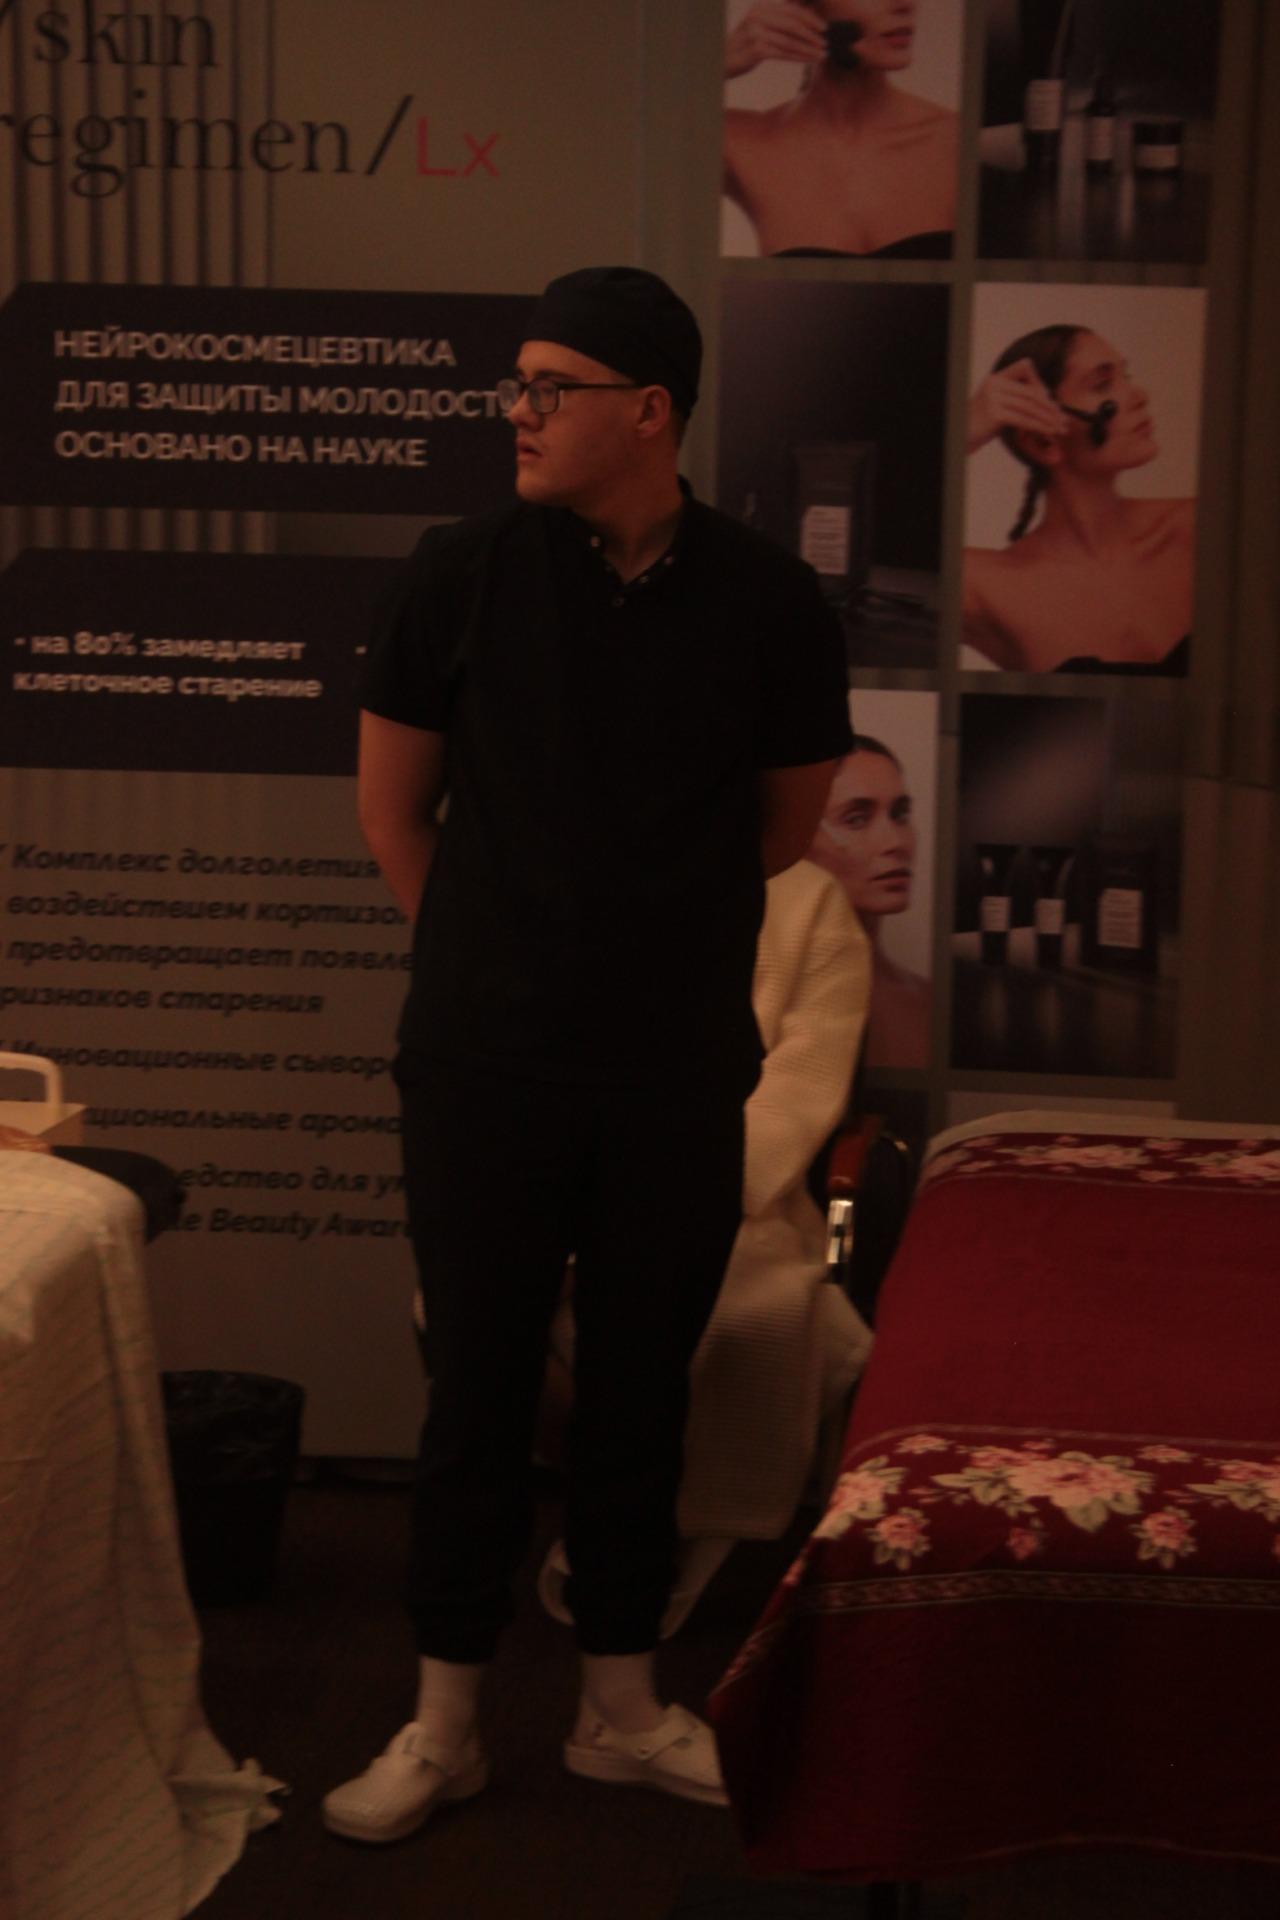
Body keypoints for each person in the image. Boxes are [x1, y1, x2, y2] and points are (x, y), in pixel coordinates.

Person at [324, 266, 853, 1843]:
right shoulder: (460, 571)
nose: (519, 411)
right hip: (483, 1064)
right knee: (475, 1395)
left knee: (641, 1397)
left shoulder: (769, 599)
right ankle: (445, 1723)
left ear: (651, 410)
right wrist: (508, 964)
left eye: (551, 387)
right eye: (517, 383)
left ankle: (621, 1709)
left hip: (674, 1067)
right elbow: (392, 814)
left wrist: (631, 951)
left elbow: (784, 830)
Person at [537, 857, 875, 1637]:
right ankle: (613, 1521)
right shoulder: (586, 870)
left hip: (741, 1203)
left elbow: (803, 1084)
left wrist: (670, 1192)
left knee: (747, 1321)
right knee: (479, 1309)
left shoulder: (812, 902)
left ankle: (655, 1545)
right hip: (573, 1189)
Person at [963, 325, 1196, 674]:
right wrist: (960, 432)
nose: (1139, 395)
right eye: (1102, 384)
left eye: (1126, 376)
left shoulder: (1196, 528)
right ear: (1044, 443)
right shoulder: (988, 585)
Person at [722, 0, 956, 258]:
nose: (905, 4)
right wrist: (716, 66)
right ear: (801, 7)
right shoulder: (739, 142)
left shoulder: (956, 140)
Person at [807, 734, 930, 1069]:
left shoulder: (931, 1004)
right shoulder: (759, 995)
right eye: (856, 819)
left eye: (900, 814)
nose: (895, 842)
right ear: (798, 838)